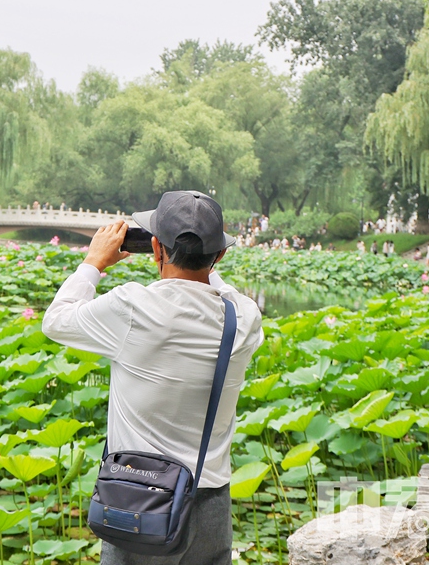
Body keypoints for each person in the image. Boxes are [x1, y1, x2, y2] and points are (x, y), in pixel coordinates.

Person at [42, 190, 264, 565]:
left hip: (138, 499)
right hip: (210, 504)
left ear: (156, 247)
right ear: (220, 255)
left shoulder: (132, 306)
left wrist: (93, 263)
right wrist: (200, 257)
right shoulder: (243, 318)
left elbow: (56, 320)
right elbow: (219, 289)